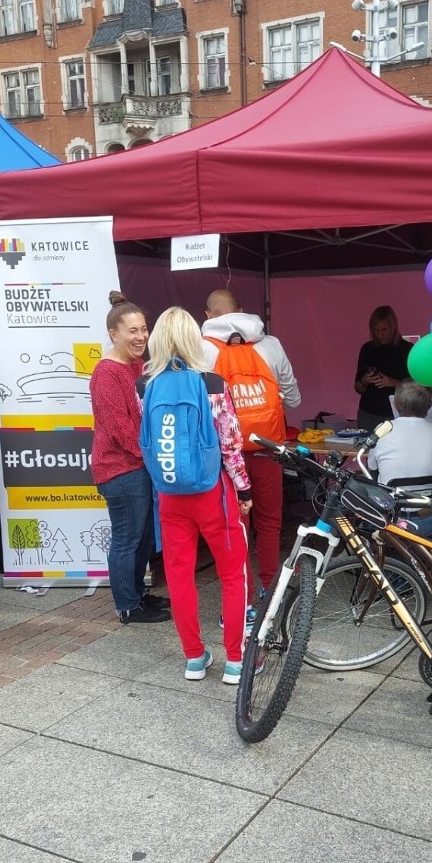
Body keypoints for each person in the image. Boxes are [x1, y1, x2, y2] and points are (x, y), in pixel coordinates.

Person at [143, 307, 253, 683]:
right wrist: (244, 488)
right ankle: (235, 660)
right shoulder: (213, 384)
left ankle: (194, 657)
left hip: (170, 493)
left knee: (178, 574)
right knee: (232, 573)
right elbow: (230, 444)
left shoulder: (146, 387)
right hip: (212, 492)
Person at [201, 288, 300, 610]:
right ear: (242, 310)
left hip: (227, 455)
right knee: (270, 521)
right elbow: (293, 396)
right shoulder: (271, 345)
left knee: (236, 525)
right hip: (268, 447)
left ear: (208, 316)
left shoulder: (203, 349)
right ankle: (270, 588)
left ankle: (241, 597)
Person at [90, 291, 170, 625]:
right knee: (127, 538)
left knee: (143, 537)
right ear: (114, 334)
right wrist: (153, 455)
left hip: (140, 467)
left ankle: (136, 594)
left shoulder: (137, 365)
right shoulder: (107, 373)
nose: (140, 336)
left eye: (144, 329)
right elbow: (119, 429)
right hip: (120, 470)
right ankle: (126, 605)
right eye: (132, 331)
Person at [368, 378, 432, 538]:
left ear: (395, 404)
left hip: (389, 521)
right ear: (429, 406)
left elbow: (372, 466)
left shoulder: (383, 429)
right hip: (427, 521)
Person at [354, 305, 413, 431]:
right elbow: (357, 387)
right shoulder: (367, 349)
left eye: (384, 330)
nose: (380, 334)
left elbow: (415, 387)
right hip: (368, 413)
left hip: (397, 414)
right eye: (376, 331)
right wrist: (365, 380)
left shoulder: (407, 350)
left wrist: (392, 382)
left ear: (393, 328)